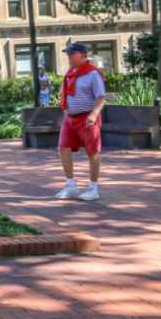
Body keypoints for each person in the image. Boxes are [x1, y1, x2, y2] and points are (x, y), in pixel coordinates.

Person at [54, 42, 107, 202]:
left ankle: (93, 188)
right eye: (68, 54)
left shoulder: (93, 74)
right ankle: (71, 186)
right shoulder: (71, 72)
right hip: (70, 117)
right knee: (63, 148)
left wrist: (94, 114)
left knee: (92, 152)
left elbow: (101, 96)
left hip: (87, 118)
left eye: (72, 54)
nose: (69, 57)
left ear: (82, 55)